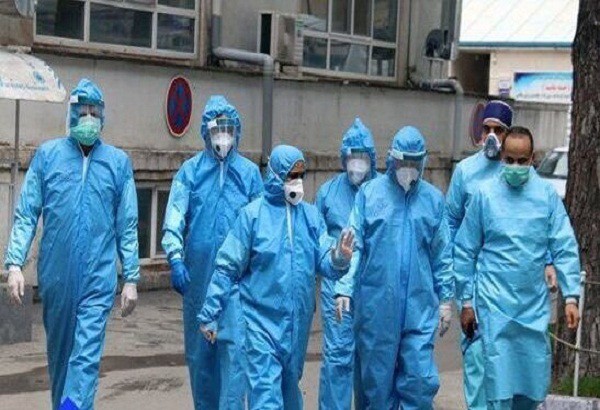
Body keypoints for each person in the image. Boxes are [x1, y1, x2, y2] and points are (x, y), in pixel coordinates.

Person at [4, 78, 139, 410]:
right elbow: (27, 212)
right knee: (62, 360)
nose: (89, 118)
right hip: (57, 277)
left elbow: (127, 224)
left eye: (95, 111)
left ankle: (71, 407)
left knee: (85, 359)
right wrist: (14, 263)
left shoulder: (117, 163)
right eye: (83, 111)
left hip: (97, 279)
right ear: (72, 114)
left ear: (103, 116)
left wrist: (131, 277)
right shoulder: (48, 157)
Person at [197, 145, 354, 410]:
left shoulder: (310, 217)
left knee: (290, 395)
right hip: (259, 325)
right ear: (276, 176)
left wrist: (339, 257)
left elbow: (324, 259)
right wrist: (210, 312)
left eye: (301, 176)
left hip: (296, 326)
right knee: (266, 398)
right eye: (292, 176)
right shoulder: (253, 216)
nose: (297, 182)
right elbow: (226, 267)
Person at [455, 126, 580, 410]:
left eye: (522, 161)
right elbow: (465, 250)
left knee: (531, 388)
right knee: (498, 388)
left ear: (533, 158)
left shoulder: (546, 196)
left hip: (532, 309)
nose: (515, 166)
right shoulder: (485, 195)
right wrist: (466, 302)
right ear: (501, 157)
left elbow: (563, 243)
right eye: (509, 159)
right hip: (494, 306)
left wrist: (572, 296)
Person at [335, 126, 454, 409]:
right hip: (377, 307)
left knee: (420, 380)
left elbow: (442, 254)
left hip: (419, 308)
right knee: (377, 386)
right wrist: (344, 287)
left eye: (414, 163)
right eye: (403, 162)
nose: (408, 169)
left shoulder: (432, 200)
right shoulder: (370, 195)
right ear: (391, 159)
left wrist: (446, 299)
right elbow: (355, 245)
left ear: (423, 162)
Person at [162, 95, 263, 409]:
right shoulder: (190, 172)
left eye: (229, 129)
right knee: (201, 359)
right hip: (199, 279)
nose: (223, 136)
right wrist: (175, 257)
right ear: (206, 131)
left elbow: (262, 226)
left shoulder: (249, 174)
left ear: (237, 131)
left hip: (238, 283)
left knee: (235, 359)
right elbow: (175, 217)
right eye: (218, 129)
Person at [315, 118, 378, 410]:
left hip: (372, 287)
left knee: (370, 359)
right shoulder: (327, 193)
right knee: (338, 357)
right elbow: (317, 240)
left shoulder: (381, 192)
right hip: (335, 288)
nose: (357, 164)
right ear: (343, 158)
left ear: (372, 159)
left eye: (363, 157)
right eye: (353, 157)